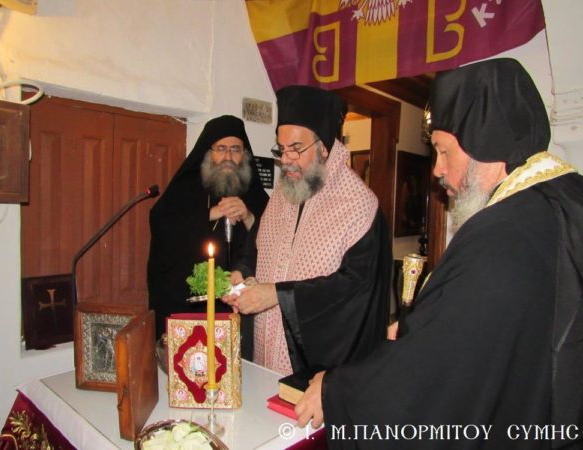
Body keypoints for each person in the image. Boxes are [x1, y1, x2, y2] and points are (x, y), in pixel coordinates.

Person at [295, 58, 583, 449]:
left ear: (486, 143)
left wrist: (335, 390)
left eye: (444, 151)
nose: (436, 170)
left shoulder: (501, 233)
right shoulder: (565, 201)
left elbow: (437, 371)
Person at [223, 85, 393, 376]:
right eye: (281, 149)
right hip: (265, 354)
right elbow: (256, 249)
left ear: (324, 147)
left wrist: (279, 295)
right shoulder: (282, 194)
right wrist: (241, 272)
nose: (285, 159)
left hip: (317, 371)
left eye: (296, 149)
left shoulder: (360, 206)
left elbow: (355, 291)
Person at [147, 115, 269, 346]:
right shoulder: (186, 187)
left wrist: (248, 216)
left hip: (238, 306)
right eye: (221, 149)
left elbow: (274, 236)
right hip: (189, 305)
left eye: (235, 149)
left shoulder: (254, 193)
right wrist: (210, 214)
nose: (228, 157)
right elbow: (162, 224)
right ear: (208, 152)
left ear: (244, 154)